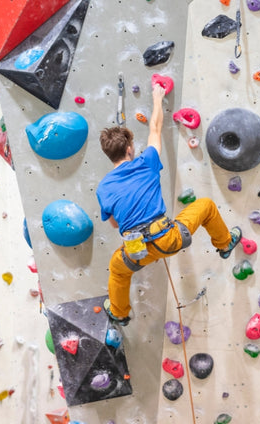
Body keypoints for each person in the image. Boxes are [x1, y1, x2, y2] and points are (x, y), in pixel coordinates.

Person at [96, 83, 241, 326]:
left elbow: (113, 223)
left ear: (108, 154)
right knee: (205, 206)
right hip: (169, 238)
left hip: (136, 251)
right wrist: (157, 97)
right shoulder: (146, 161)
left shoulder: (103, 188)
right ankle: (225, 244)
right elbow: (155, 127)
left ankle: (119, 313)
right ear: (130, 148)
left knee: (118, 269)